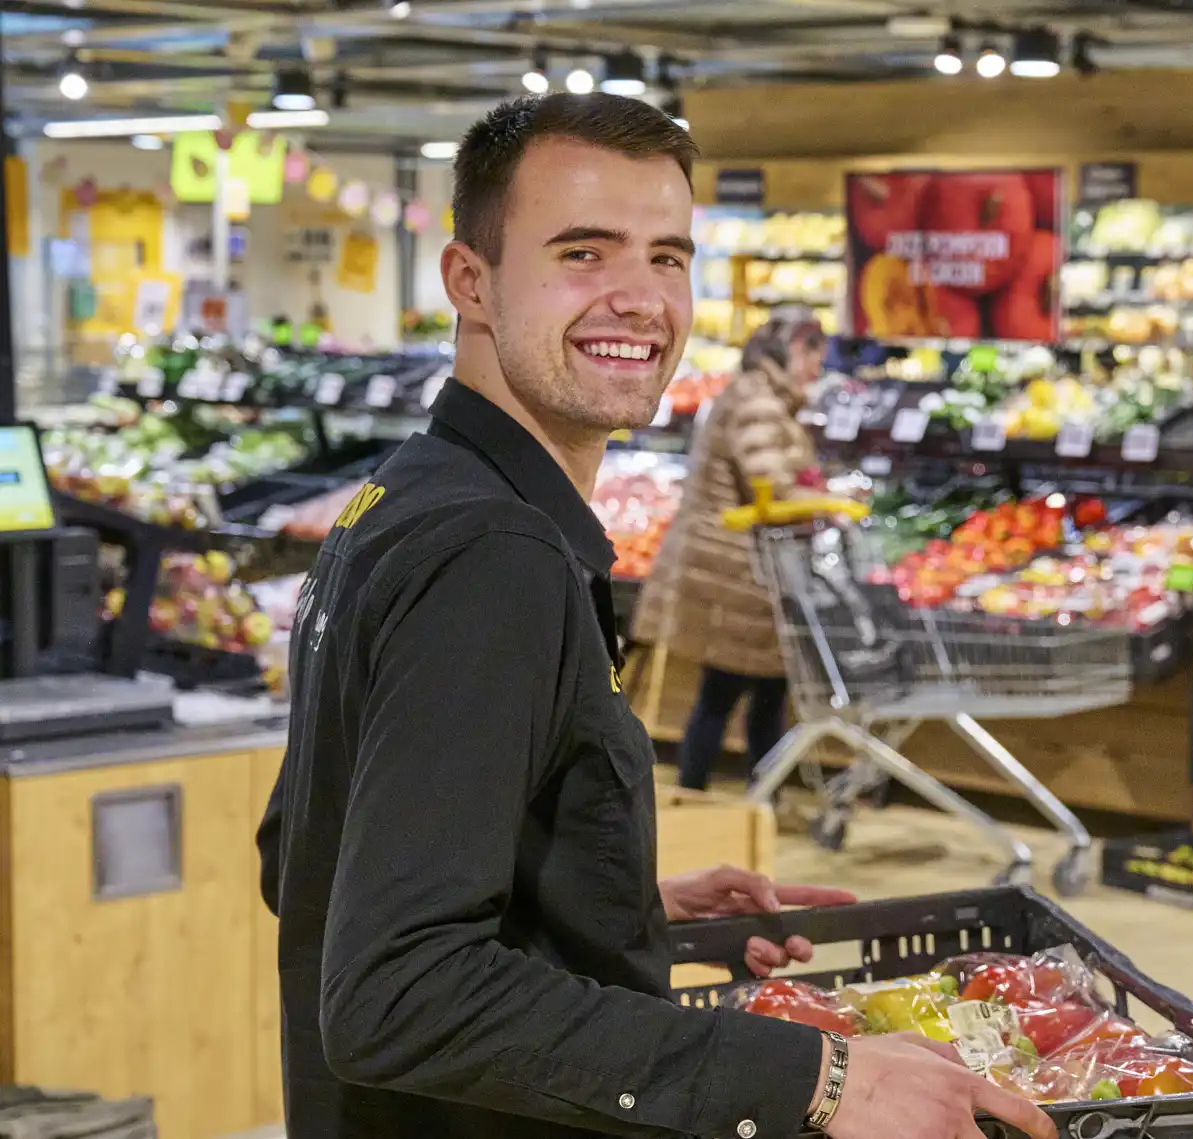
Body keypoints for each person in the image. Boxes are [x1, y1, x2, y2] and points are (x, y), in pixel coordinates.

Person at [254, 91, 1055, 1139]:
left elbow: (305, 856)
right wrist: (817, 1077)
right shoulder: (494, 556)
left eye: (667, 257)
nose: (639, 299)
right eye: (584, 252)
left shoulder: (403, 496)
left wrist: (605, 907)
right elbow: (396, 994)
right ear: (470, 280)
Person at [632, 309, 826, 791]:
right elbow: (769, 484)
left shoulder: (759, 395)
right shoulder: (757, 402)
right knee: (729, 693)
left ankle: (753, 794)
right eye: (815, 357)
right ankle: (704, 792)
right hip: (736, 572)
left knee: (756, 694)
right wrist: (827, 500)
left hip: (739, 568)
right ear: (794, 351)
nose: (818, 370)